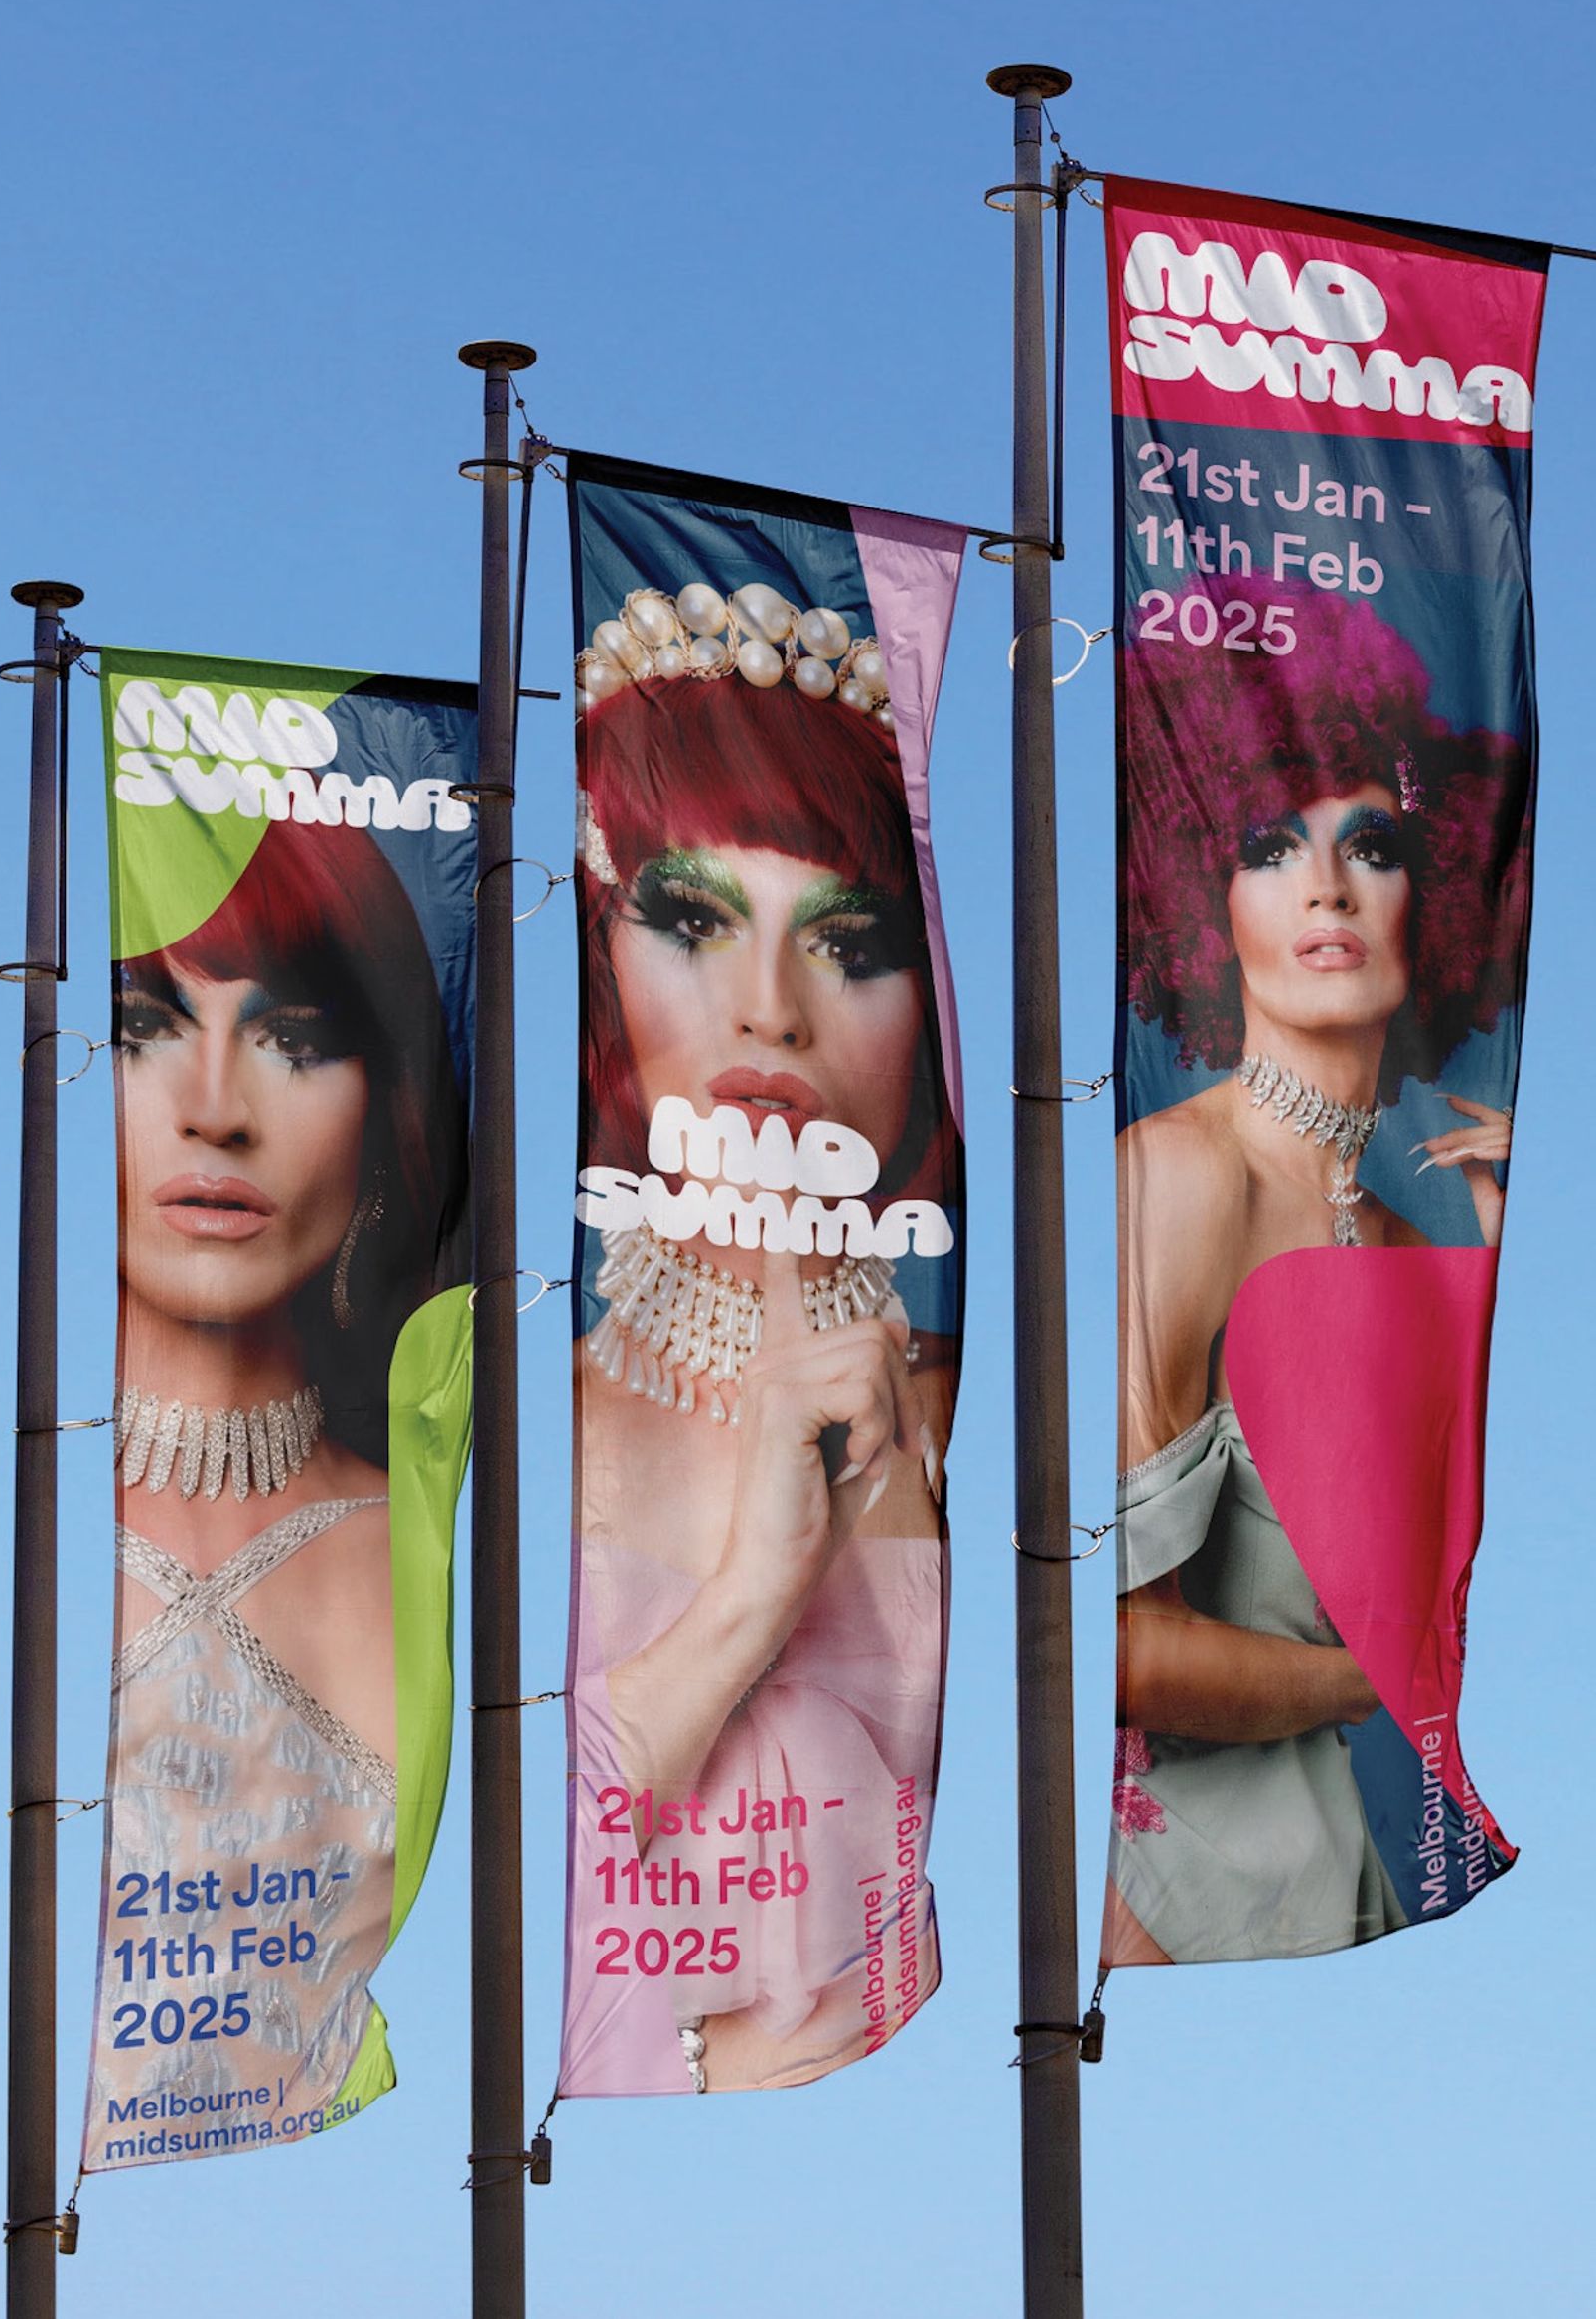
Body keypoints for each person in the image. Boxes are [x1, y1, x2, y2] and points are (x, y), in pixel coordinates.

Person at [564, 577, 959, 2094]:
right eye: (693, 920)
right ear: (607, 958)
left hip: (976, 2163)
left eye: (849, 943)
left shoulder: (984, 1412)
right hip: (629, 2201)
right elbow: (518, 1910)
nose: (770, 1011)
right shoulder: (536, 1423)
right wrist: (756, 1592)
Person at [1105, 577, 1528, 1967]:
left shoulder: (1418, 1238)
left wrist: (1481, 1260)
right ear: (1208, 901)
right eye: (1271, 845)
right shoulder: (1178, 1178)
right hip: (1179, 1896)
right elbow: (1122, 1649)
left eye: (1375, 842)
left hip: (1358, 1874)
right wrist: (1379, 1685)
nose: (1329, 885)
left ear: (1431, 895)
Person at [101, 812, 457, 2111]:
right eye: (147, 1025)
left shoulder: (395, 1535)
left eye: (297, 1037)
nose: (215, 1109)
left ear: (385, 1121)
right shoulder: (10, 1535)